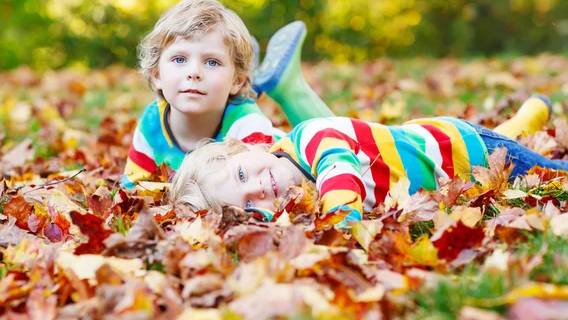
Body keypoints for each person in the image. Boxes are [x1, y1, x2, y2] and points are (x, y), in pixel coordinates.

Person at [170, 98, 566, 228]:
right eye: (249, 206)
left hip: (465, 149)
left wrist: (342, 225)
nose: (257, 189)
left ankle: (515, 131)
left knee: (549, 172)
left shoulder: (310, 137)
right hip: (453, 159)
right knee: (511, 135)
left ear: (245, 147)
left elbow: (339, 174)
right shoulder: (297, 204)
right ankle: (527, 117)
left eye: (242, 174)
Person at [122, 0, 334, 188]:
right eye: (179, 59)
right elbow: (131, 187)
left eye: (212, 62)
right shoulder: (152, 121)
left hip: (306, 154)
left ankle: (289, 87)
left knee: (334, 140)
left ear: (237, 81)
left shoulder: (249, 125)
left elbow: (247, 192)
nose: (194, 73)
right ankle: (246, 67)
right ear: (156, 74)